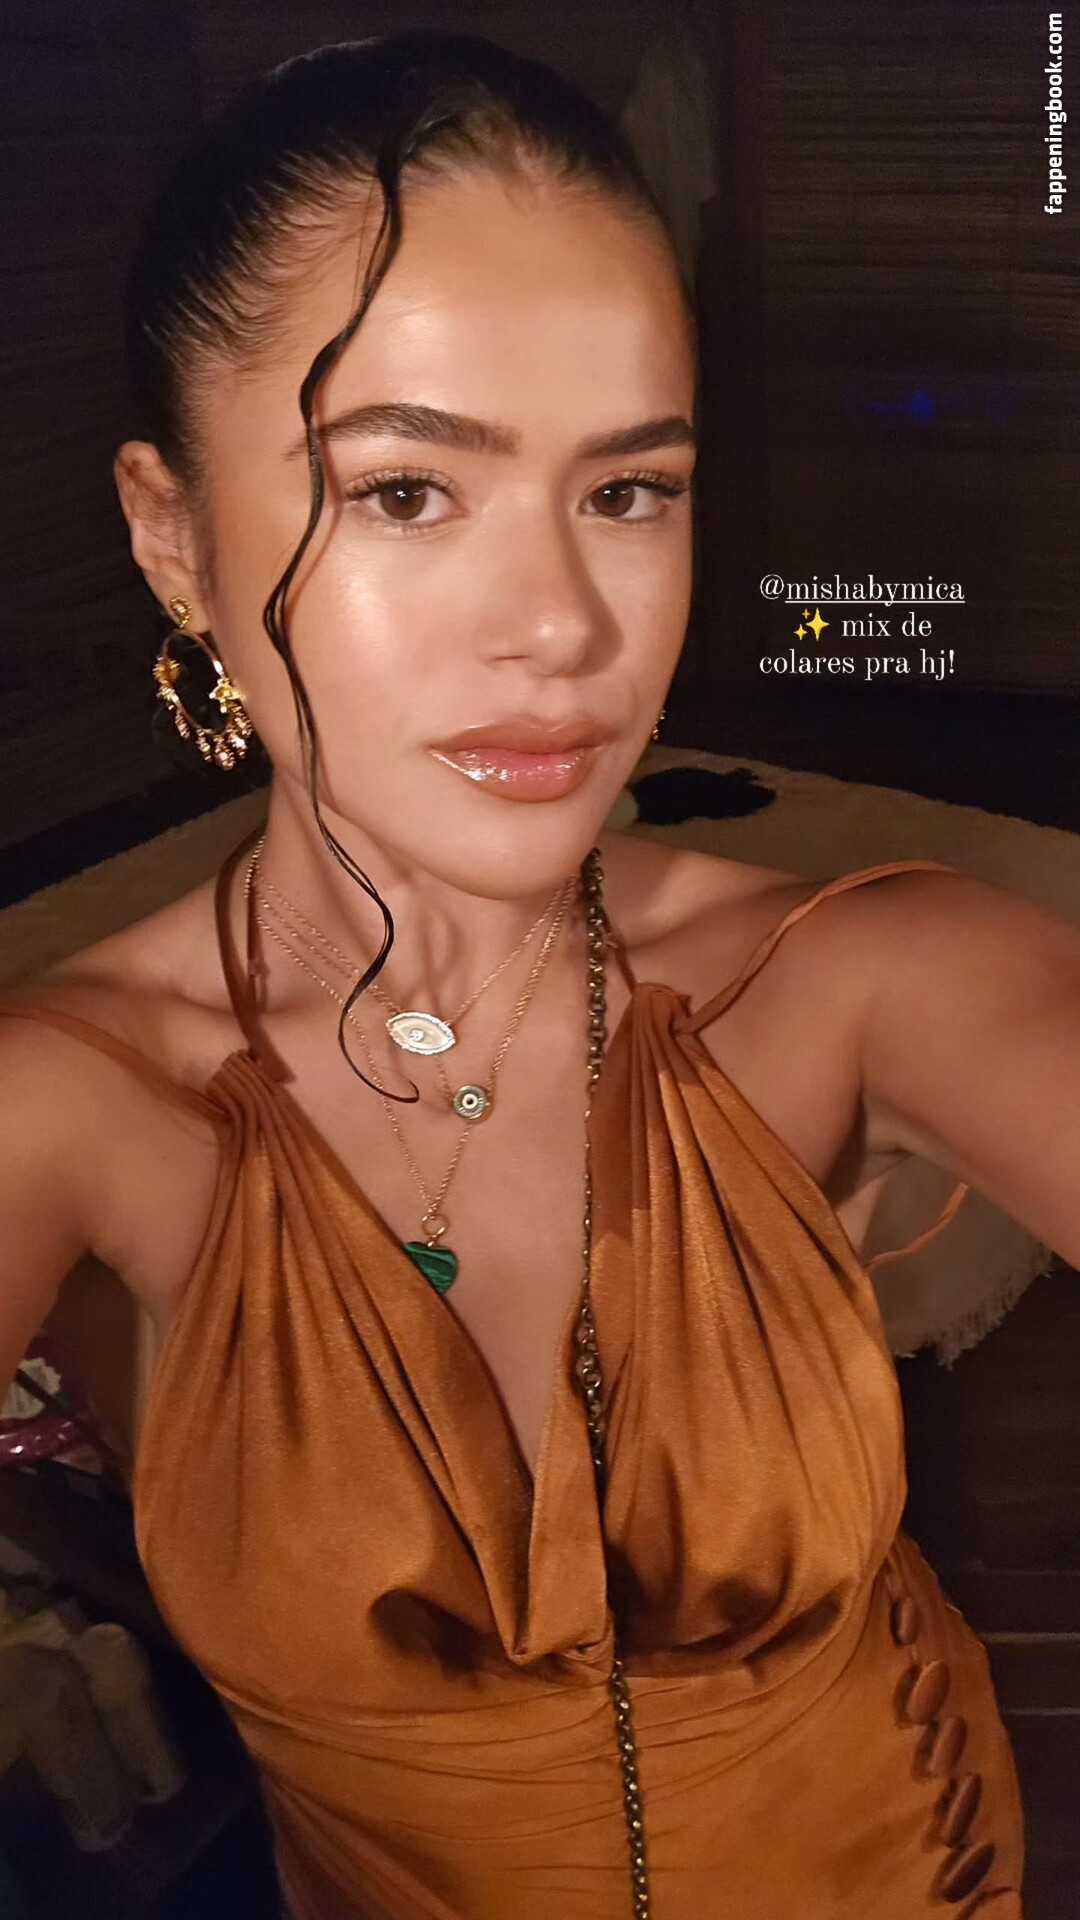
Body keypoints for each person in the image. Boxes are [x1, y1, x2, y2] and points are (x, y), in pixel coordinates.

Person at [2, 30, 1078, 1920]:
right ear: (174, 537)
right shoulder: (77, 1096)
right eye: (407, 491)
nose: (567, 625)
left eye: (629, 492)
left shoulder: (855, 974)